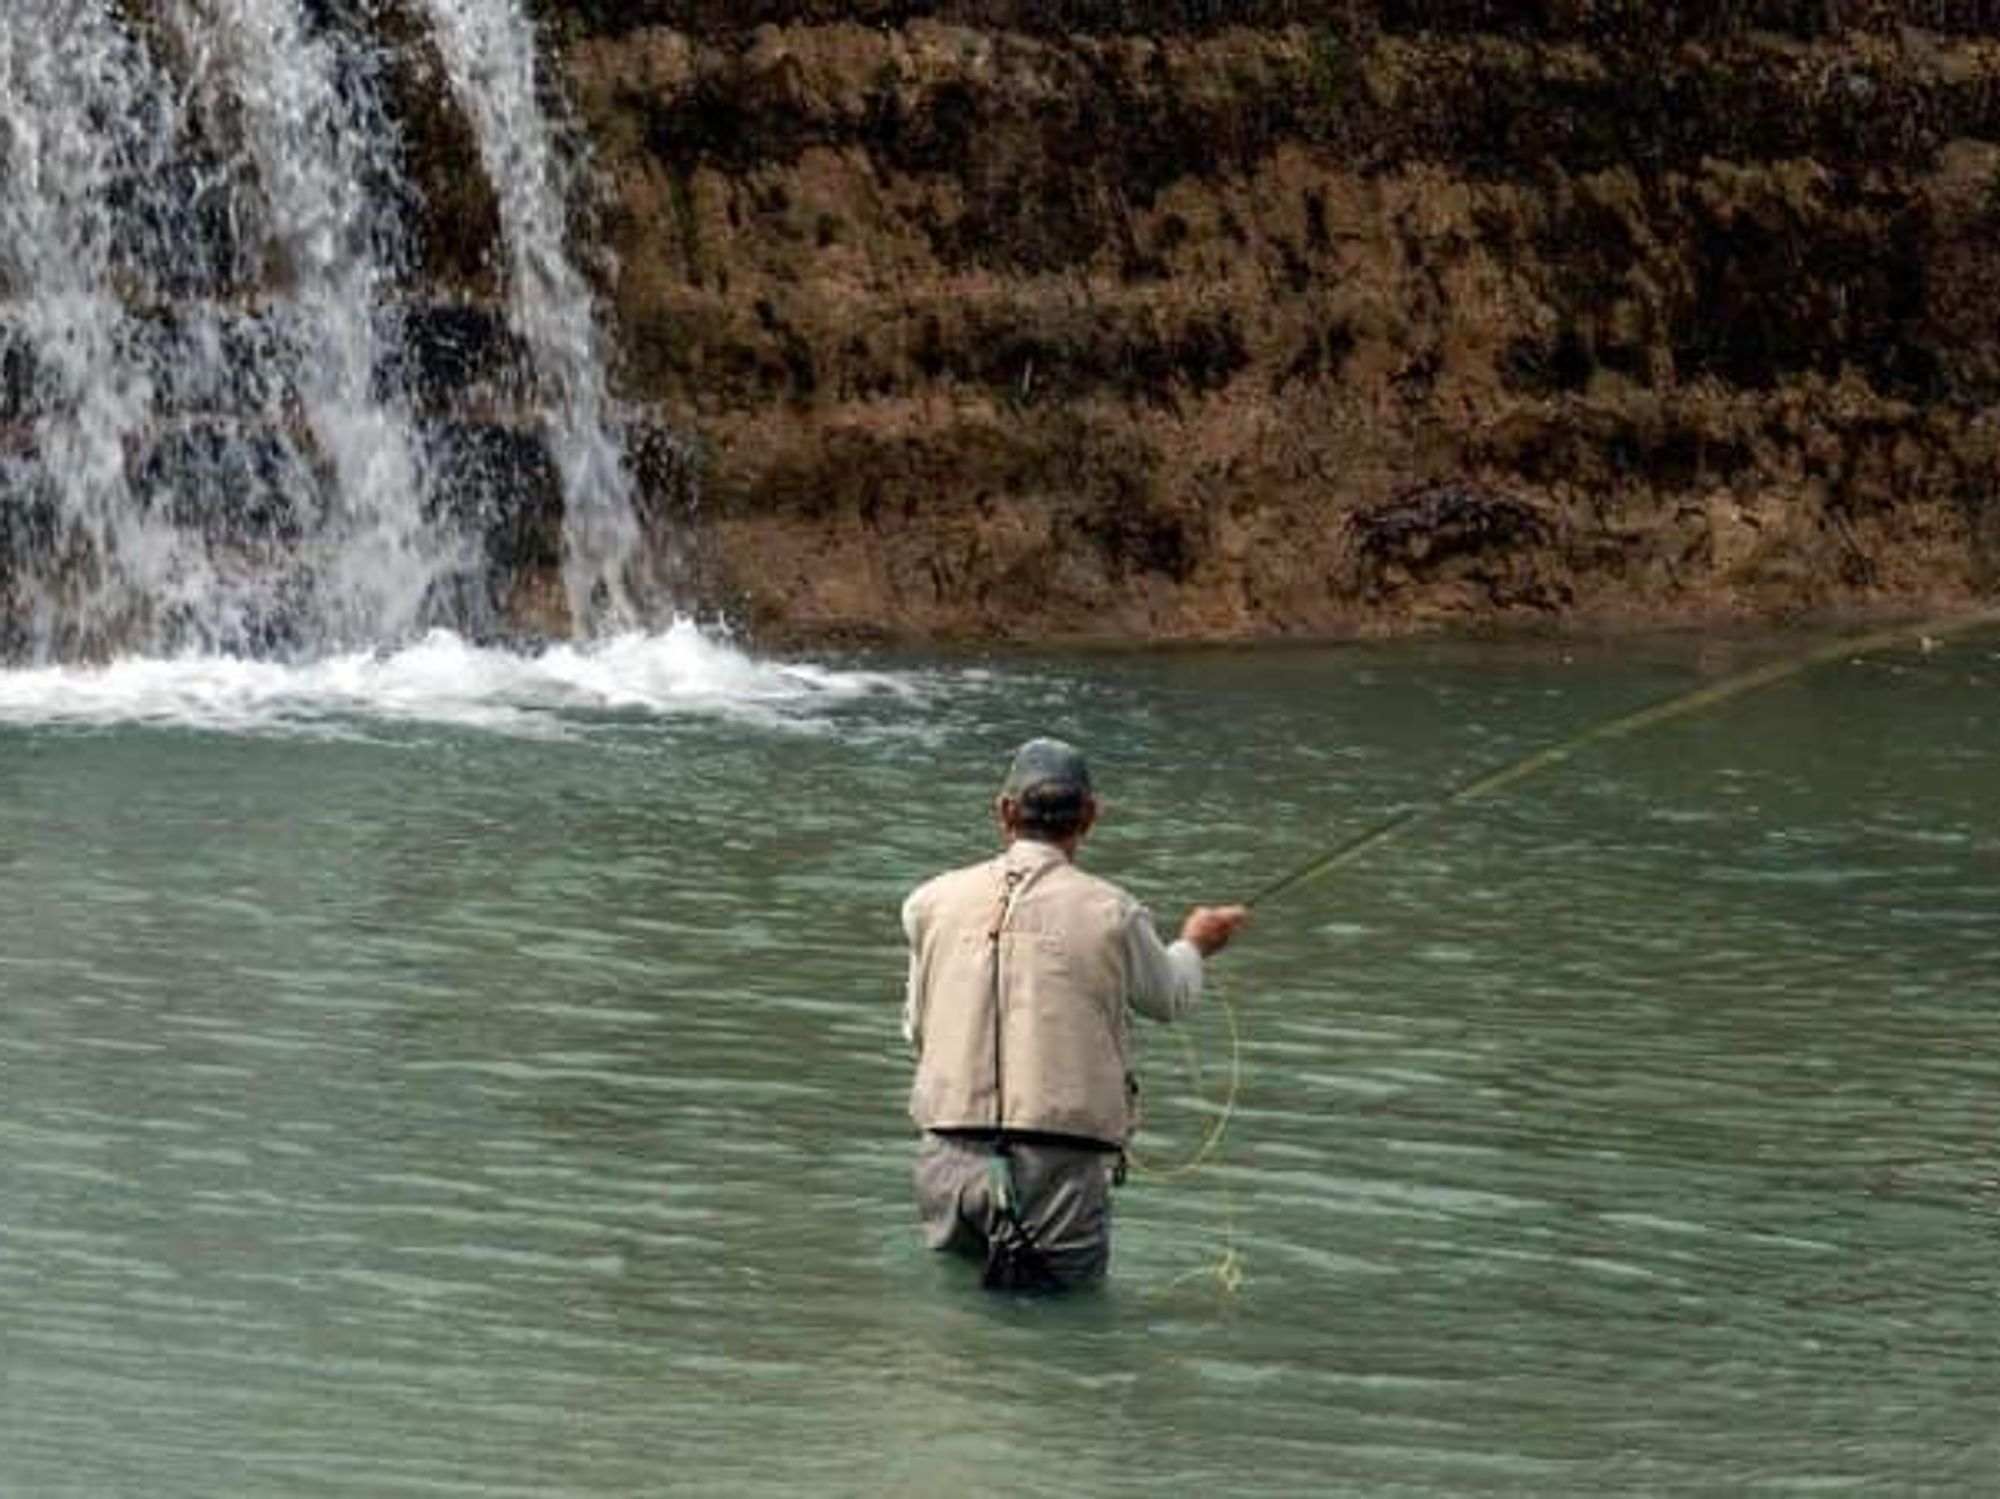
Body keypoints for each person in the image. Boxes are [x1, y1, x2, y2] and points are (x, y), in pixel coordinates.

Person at [901, 737, 1249, 1290]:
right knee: (1056, 1318)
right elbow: (1168, 998)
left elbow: (917, 1030)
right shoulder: (1113, 911)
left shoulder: (929, 901)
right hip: (1058, 1167)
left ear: (1005, 811)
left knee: (958, 1307)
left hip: (947, 1156)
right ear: (1090, 815)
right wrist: (1196, 944)